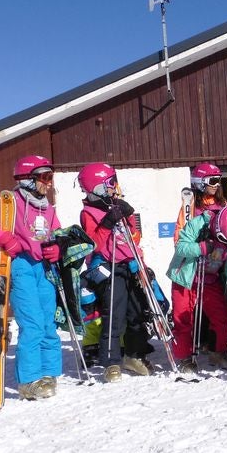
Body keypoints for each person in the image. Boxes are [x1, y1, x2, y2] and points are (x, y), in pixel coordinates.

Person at [0, 155, 62, 400]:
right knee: (33, 323)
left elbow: (57, 233)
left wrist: (57, 248)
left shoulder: (48, 208)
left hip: (44, 269)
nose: (48, 182)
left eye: (50, 177)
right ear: (27, 179)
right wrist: (5, 238)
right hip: (22, 266)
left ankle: (49, 373)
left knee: (49, 323)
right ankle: (28, 380)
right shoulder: (10, 204)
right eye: (44, 177)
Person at [77, 163, 156, 382]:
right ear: (98, 187)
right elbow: (94, 244)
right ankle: (111, 361)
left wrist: (128, 219)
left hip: (130, 264)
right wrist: (108, 221)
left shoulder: (117, 206)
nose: (115, 187)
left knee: (138, 312)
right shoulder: (89, 213)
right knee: (115, 314)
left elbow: (133, 239)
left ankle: (134, 354)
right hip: (108, 267)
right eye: (111, 183)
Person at [168, 202, 227, 374]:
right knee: (183, 317)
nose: (222, 242)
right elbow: (180, 246)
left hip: (210, 277)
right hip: (187, 277)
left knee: (221, 315)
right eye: (221, 239)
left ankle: (217, 352)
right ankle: (184, 357)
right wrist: (200, 247)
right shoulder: (199, 223)